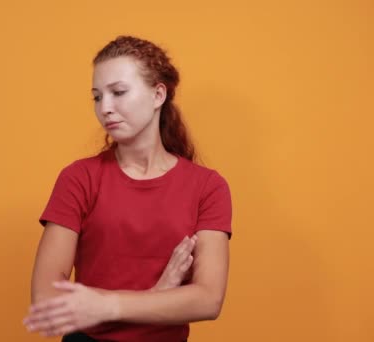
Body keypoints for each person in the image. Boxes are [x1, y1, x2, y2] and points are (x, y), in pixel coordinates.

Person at [23, 35, 232, 342]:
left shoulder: (208, 187)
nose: (105, 108)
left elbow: (208, 300)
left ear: (158, 94)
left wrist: (105, 306)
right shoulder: (79, 178)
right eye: (97, 97)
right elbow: (46, 298)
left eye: (118, 92)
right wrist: (160, 293)